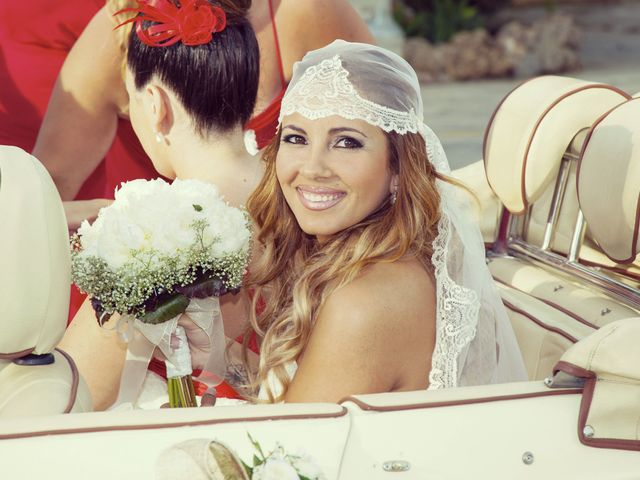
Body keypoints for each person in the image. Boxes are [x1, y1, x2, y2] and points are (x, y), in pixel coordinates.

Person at [243, 40, 528, 403]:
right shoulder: (365, 262)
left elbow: (282, 452)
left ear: (397, 169)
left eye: (346, 143)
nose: (312, 168)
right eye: (296, 138)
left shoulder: (364, 304)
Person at [60, 0, 263, 410]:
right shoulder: (302, 191)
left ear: (155, 104)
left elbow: (72, 394)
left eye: (131, 97)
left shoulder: (159, 231)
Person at [33, 0, 374, 206]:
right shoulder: (120, 28)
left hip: (292, 273)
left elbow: (394, 129)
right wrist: (113, 221)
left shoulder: (305, 11)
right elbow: (50, 183)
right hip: (154, 283)